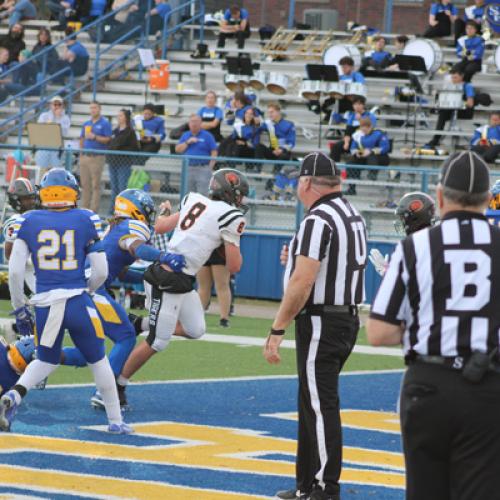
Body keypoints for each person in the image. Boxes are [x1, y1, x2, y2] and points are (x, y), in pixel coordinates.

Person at [367, 151, 500, 500]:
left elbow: (378, 332)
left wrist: (428, 325)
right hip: (488, 386)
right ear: (488, 199)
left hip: (429, 383)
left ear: (439, 196)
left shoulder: (415, 246)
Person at [263, 151, 367, 500]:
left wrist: (277, 328)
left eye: (298, 180)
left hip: (323, 319)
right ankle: (306, 484)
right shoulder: (351, 214)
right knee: (312, 401)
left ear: (306, 182)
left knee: (320, 404)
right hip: (345, 317)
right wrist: (295, 254)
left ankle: (325, 487)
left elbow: (303, 281)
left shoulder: (318, 219)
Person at [0, 168, 131, 434]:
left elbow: (13, 271)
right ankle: (116, 422)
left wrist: (20, 307)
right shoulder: (85, 218)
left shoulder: (29, 221)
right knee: (99, 361)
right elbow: (101, 271)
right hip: (76, 301)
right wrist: (89, 289)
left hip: (45, 304)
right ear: (73, 193)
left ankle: (14, 395)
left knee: (45, 360)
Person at [116, 168, 248, 404]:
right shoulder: (231, 216)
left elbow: (161, 226)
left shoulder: (193, 199)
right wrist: (229, 242)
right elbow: (235, 265)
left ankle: (141, 323)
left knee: (196, 329)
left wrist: (167, 214)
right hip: (167, 277)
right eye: (239, 195)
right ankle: (115, 385)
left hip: (182, 278)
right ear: (230, 192)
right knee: (158, 341)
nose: (241, 201)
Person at [60, 188, 185, 409]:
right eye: (147, 211)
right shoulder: (131, 227)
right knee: (126, 336)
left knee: (85, 354)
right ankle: (104, 393)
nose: (150, 216)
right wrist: (162, 256)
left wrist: (147, 275)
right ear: (136, 211)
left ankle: (30, 356)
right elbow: (134, 246)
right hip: (91, 291)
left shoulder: (114, 227)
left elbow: (119, 270)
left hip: (77, 288)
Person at [369, 192, 436, 276]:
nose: (401, 222)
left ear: (414, 218)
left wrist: (390, 274)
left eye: (403, 218)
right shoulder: (434, 238)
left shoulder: (415, 245)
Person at [424, 68, 475, 150]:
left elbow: (470, 104)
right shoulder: (449, 85)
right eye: (452, 77)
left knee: (443, 113)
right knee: (443, 113)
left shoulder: (467, 86)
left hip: (464, 110)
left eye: (455, 77)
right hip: (450, 109)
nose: (453, 80)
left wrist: (460, 102)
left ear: (462, 76)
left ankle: (436, 139)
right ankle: (436, 139)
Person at [2, 177, 38, 293]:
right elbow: (9, 254)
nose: (31, 202)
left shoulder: (38, 216)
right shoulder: (14, 222)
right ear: (16, 200)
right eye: (27, 199)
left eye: (32, 198)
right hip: (30, 273)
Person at [79, 101, 112, 214]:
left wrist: (95, 137)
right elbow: (82, 138)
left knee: (95, 185)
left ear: (99, 109)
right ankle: (84, 209)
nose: (93, 110)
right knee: (85, 185)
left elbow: (108, 139)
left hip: (97, 157)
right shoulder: (87, 123)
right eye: (91, 108)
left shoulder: (105, 123)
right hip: (85, 157)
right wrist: (82, 152)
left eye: (95, 108)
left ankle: (93, 211)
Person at [346, 117, 391, 195]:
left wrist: (371, 151)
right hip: (364, 158)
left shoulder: (379, 134)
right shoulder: (357, 135)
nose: (364, 129)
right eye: (362, 127)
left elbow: (386, 147)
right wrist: (356, 153)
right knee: (351, 161)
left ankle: (373, 173)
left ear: (370, 127)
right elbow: (353, 148)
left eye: (366, 127)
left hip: (379, 158)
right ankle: (351, 188)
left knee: (371, 155)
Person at [175, 114, 218, 195]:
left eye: (196, 121)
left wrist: (210, 167)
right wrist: (187, 142)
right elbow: (177, 150)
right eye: (192, 121)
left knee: (203, 194)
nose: (194, 124)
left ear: (201, 123)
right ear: (189, 124)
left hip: (203, 168)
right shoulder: (185, 135)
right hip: (188, 168)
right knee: (187, 195)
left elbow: (214, 152)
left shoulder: (207, 135)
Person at [107, 109, 140, 212]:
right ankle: (112, 211)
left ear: (126, 117)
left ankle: (122, 211)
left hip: (124, 163)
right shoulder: (115, 131)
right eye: (118, 115)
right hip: (113, 162)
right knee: (114, 189)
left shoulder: (130, 132)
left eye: (121, 115)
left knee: (122, 188)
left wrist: (120, 149)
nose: (118, 117)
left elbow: (135, 148)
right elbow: (110, 144)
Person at [329, 97, 377, 162]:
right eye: (355, 104)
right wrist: (346, 143)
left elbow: (369, 130)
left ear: (363, 105)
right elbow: (348, 131)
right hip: (353, 140)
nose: (357, 106)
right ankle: (334, 168)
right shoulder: (352, 116)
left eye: (359, 104)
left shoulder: (370, 116)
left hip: (365, 141)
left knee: (356, 157)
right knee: (336, 147)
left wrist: (360, 120)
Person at [255, 103, 295, 171]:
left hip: (283, 152)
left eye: (272, 112)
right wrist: (257, 122)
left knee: (284, 156)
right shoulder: (268, 123)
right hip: (272, 151)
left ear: (278, 112)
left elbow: (291, 143)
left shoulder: (289, 124)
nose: (270, 114)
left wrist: (281, 149)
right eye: (269, 113)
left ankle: (274, 175)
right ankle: (257, 170)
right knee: (259, 146)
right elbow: (257, 128)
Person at [34, 96, 71, 170]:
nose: (57, 107)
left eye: (59, 105)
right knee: (41, 170)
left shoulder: (65, 118)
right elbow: (40, 131)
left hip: (57, 148)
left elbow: (64, 133)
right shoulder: (44, 116)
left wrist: (57, 118)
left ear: (62, 106)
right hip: (43, 146)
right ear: (51, 105)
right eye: (55, 104)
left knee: (55, 171)